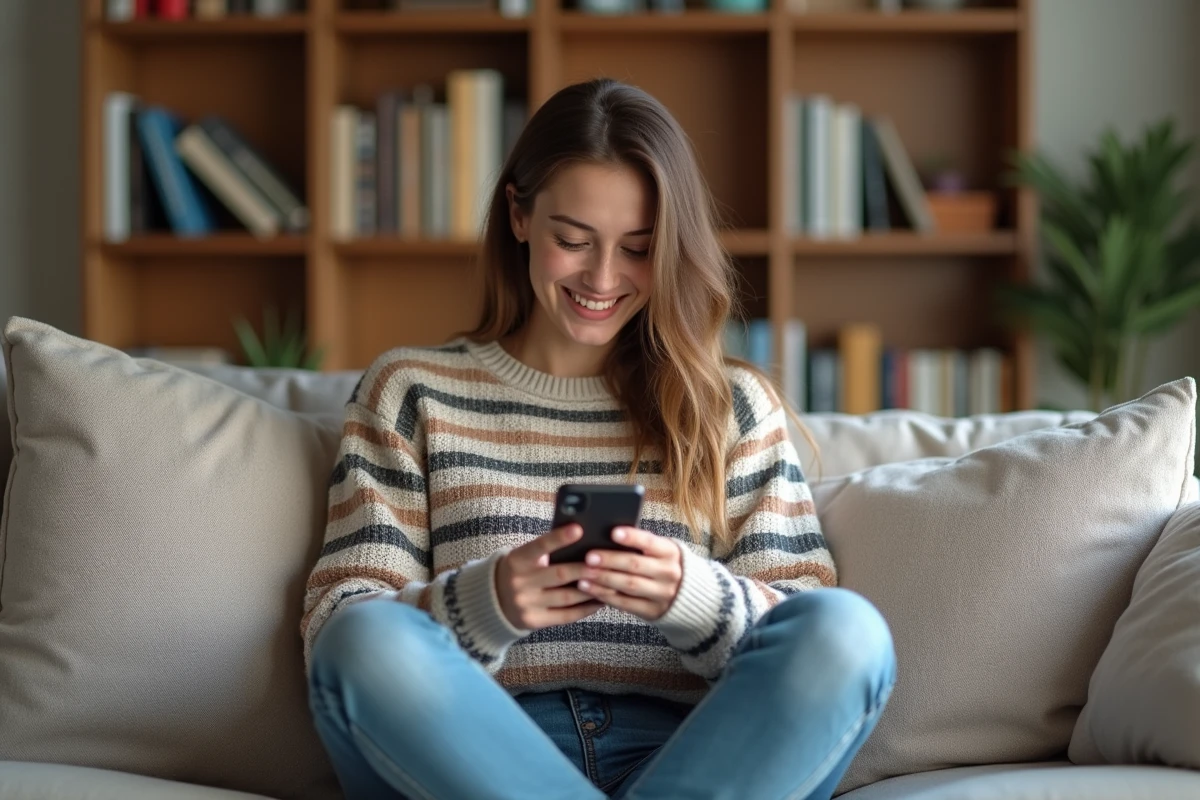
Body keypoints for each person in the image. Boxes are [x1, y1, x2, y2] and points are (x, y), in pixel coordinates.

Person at [302, 77, 895, 800]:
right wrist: (490, 603)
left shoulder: (730, 406)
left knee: (846, 631)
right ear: (519, 216)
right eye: (573, 240)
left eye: (639, 249)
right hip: (474, 757)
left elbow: (804, 623)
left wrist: (693, 598)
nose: (604, 278)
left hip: (697, 761)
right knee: (364, 640)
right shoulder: (411, 391)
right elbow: (338, 627)